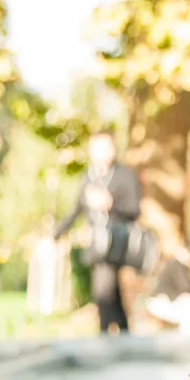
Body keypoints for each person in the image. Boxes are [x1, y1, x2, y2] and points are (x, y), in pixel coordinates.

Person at [54, 129, 142, 334]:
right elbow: (76, 210)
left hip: (117, 242)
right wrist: (55, 235)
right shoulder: (88, 177)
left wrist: (109, 204)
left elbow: (134, 210)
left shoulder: (125, 176)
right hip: (96, 242)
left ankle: (104, 335)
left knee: (103, 290)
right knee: (112, 294)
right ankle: (124, 333)